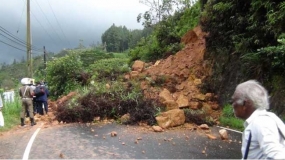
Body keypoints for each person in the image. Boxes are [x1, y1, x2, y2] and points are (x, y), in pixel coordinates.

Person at [231, 80, 285, 159]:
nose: (232, 105)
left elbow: (278, 156)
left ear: (245, 104)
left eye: (234, 101)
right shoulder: (268, 119)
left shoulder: (261, 123)